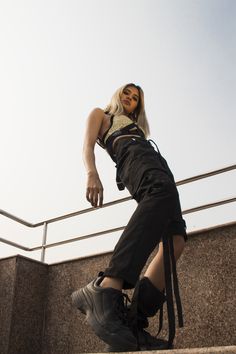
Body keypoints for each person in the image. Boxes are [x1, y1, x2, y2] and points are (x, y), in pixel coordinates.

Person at [71, 83, 187, 351]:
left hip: (155, 161)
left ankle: (133, 322)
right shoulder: (102, 115)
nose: (130, 99)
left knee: (175, 240)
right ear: (117, 94)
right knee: (158, 193)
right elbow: (87, 146)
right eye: (127, 93)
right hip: (131, 155)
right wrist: (92, 174)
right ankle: (105, 287)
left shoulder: (139, 128)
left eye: (135, 99)